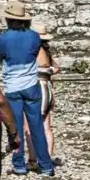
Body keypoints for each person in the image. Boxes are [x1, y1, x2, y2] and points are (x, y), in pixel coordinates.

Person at [0, 0, 53, 178]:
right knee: (37, 127)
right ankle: (46, 165)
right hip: (31, 85)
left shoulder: (2, 38)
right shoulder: (34, 36)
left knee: (16, 127)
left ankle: (19, 165)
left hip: (12, 86)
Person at [32, 22, 60, 169]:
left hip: (37, 87)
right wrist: (47, 71)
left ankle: (34, 159)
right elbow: (56, 68)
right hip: (48, 87)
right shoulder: (47, 51)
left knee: (30, 125)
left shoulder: (34, 51)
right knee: (47, 126)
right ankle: (48, 157)